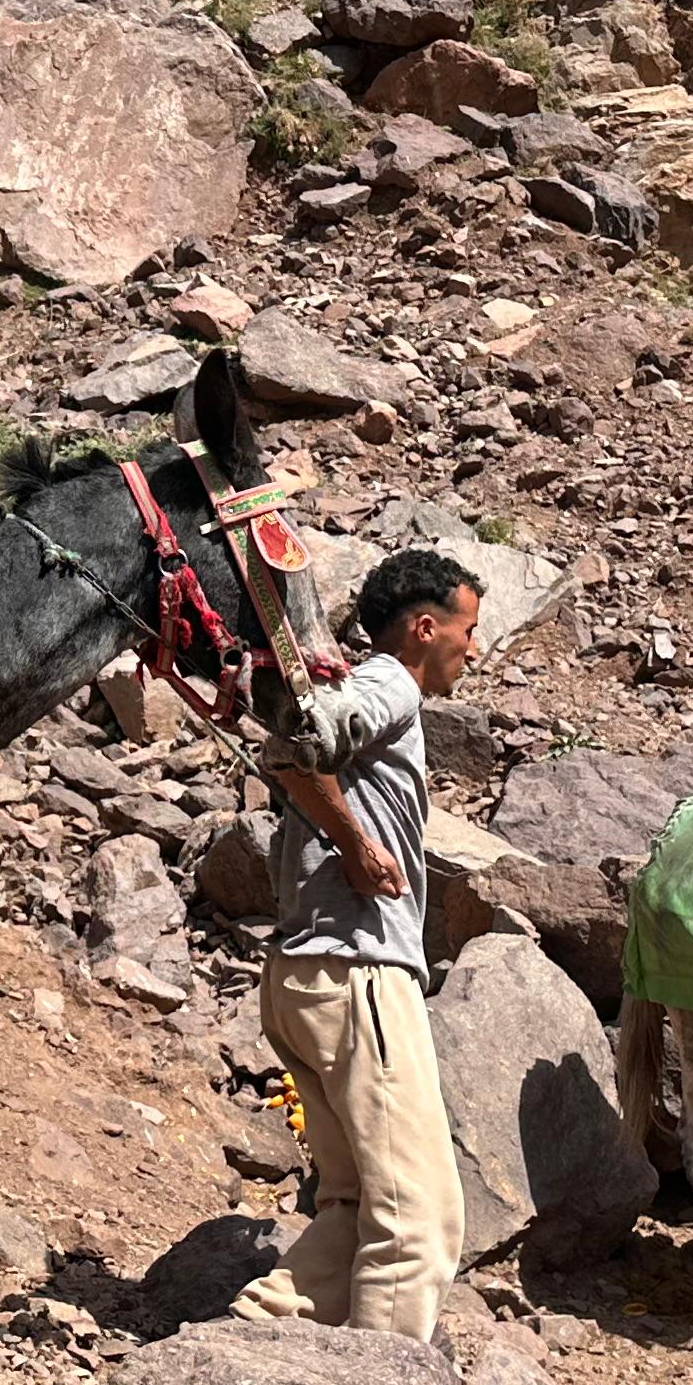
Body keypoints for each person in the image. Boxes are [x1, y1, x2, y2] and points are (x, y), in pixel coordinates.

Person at [237, 546, 483, 1341]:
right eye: (467, 630)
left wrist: (345, 834)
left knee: (355, 1203)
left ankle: (253, 1338)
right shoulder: (390, 685)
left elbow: (289, 750)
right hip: (359, 971)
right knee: (420, 1219)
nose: (473, 650)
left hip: (306, 974)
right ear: (425, 629)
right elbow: (299, 737)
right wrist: (352, 843)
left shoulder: (373, 688)